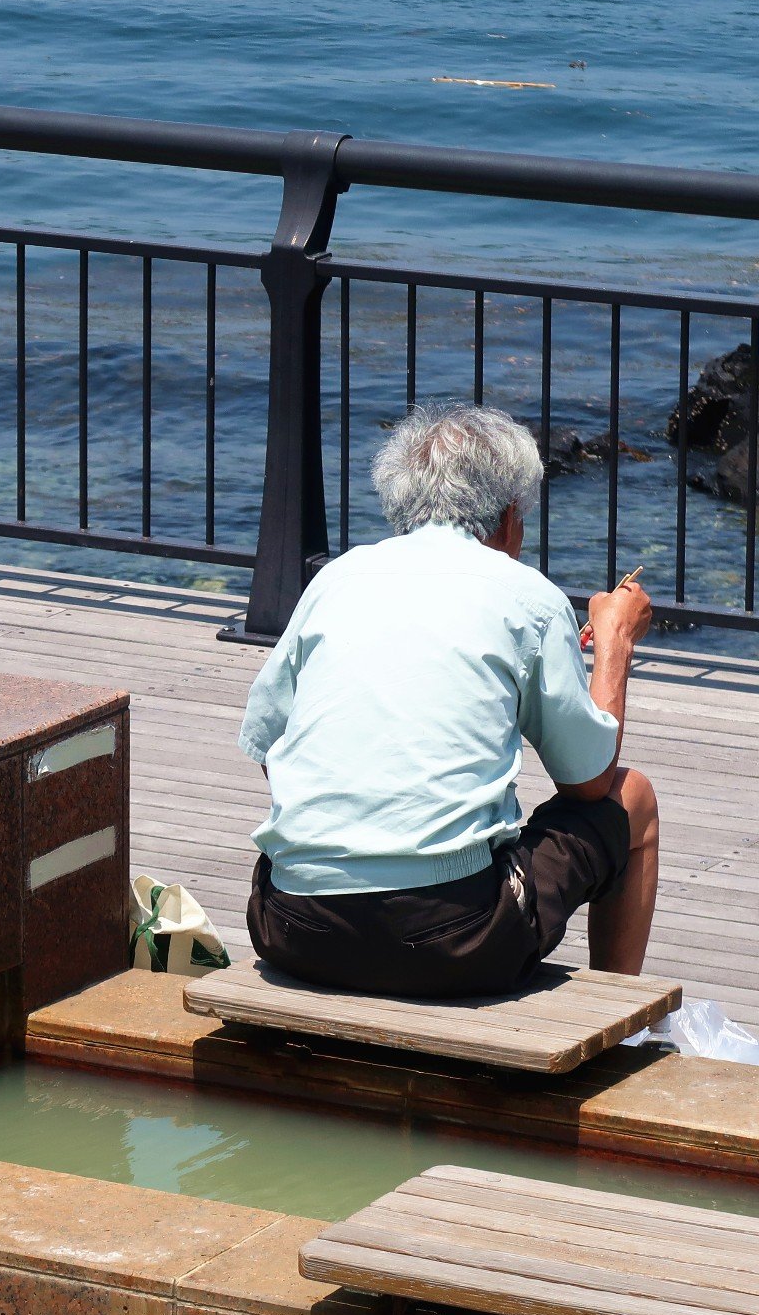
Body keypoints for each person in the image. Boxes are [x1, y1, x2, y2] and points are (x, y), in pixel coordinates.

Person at [238, 401, 658, 998]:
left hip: (292, 926)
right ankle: (618, 1021)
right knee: (631, 796)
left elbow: (270, 746)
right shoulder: (528, 597)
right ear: (509, 517)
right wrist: (615, 642)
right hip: (452, 938)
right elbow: (589, 782)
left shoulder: (336, 579)